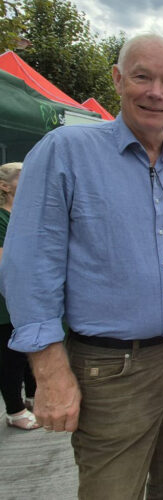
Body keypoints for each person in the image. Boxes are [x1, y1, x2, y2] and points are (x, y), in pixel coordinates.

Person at [0, 34, 163, 498]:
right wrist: (50, 372)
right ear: (118, 79)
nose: (155, 92)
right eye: (142, 77)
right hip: (111, 365)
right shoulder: (66, 151)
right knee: (111, 491)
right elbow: (29, 264)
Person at [0, 162, 38, 430]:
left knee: (30, 350)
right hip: (7, 299)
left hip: (30, 293)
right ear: (5, 185)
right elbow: (6, 263)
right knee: (9, 355)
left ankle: (33, 397)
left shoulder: (25, 214)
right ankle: (14, 411)